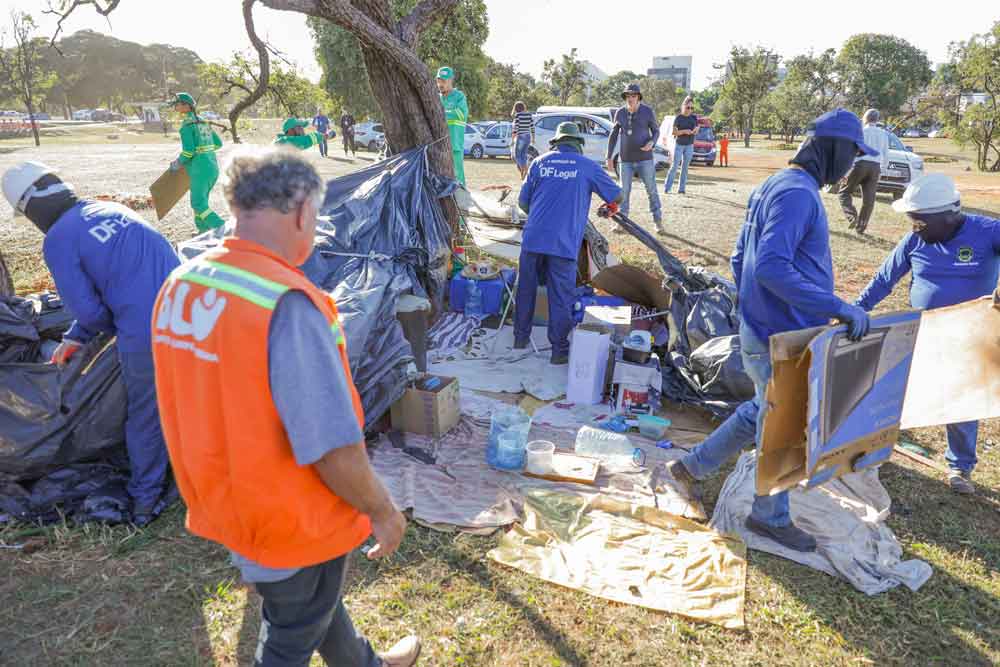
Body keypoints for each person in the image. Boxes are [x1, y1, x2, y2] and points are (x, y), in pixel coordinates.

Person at [151, 149, 420, 667]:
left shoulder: (183, 283)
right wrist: (381, 510)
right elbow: (332, 446)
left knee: (309, 602)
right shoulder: (287, 302)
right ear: (301, 211)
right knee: (291, 632)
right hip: (289, 514)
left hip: (227, 499)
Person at [665, 109, 877, 552]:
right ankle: (769, 516)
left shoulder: (775, 186)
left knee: (762, 411)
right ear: (833, 148)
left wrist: (751, 309)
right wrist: (835, 305)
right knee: (785, 427)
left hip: (768, 328)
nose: (852, 166)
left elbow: (743, 257)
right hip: (782, 335)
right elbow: (770, 267)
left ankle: (690, 467)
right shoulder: (798, 193)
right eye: (852, 155)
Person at [2, 161, 180, 526]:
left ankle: (144, 502)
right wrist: (74, 338)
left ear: (31, 209)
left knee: (145, 415)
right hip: (192, 307)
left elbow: (92, 313)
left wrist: (86, 338)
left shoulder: (59, 239)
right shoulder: (112, 209)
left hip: (147, 327)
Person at [854, 174, 1000, 495]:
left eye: (919, 222)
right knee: (889, 386)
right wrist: (856, 309)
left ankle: (960, 466)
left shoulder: (988, 232)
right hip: (920, 332)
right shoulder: (914, 241)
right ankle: (868, 445)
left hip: (967, 335)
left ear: (948, 216)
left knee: (962, 399)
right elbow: (883, 279)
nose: (914, 227)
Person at [515, 122, 622, 365]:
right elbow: (617, 196)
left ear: (556, 142)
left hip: (533, 239)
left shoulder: (539, 162)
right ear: (578, 145)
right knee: (560, 296)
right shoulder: (587, 166)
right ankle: (559, 351)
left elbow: (523, 204)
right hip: (563, 242)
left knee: (526, 289)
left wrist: (544, 216)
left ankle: (520, 339)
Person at [606, 83, 664, 234]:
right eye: (628, 96)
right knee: (623, 192)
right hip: (625, 160)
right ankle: (622, 223)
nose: (630, 98)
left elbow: (656, 131)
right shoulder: (620, 113)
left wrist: (652, 142)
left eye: (633, 96)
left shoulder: (647, 111)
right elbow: (613, 135)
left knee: (651, 190)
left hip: (645, 159)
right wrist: (609, 157)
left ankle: (658, 221)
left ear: (638, 97)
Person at [169, 93, 225, 233]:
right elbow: (218, 144)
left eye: (177, 104)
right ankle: (203, 231)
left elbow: (188, 152)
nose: (175, 106)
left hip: (199, 170)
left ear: (186, 106)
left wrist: (178, 163)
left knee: (197, 203)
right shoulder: (203, 122)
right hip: (212, 168)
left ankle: (219, 225)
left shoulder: (186, 125)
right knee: (202, 202)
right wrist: (205, 152)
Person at [839, 108, 891, 234]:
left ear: (864, 119)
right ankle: (861, 227)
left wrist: (845, 173)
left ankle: (852, 216)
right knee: (869, 200)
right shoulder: (883, 134)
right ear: (877, 120)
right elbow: (886, 154)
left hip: (860, 165)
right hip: (875, 167)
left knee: (844, 193)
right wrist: (881, 171)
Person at [436, 66, 469, 185]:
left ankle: (462, 200)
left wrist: (442, 113)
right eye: (438, 81)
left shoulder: (459, 96)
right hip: (438, 145)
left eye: (443, 81)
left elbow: (460, 114)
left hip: (454, 144)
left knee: (457, 176)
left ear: (450, 81)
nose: (440, 84)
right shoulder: (436, 98)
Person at [665, 97, 698, 194]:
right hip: (679, 145)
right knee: (675, 166)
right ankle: (667, 188)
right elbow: (674, 132)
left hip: (690, 145)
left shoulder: (694, 118)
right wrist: (684, 131)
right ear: (683, 106)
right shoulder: (678, 118)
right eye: (688, 107)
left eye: (692, 108)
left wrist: (696, 131)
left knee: (685, 167)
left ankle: (681, 189)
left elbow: (696, 129)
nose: (690, 110)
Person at [511, 101, 534, 180]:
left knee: (517, 156)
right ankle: (523, 173)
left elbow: (516, 128)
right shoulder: (529, 115)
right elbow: (532, 127)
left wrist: (512, 138)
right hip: (528, 137)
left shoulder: (518, 115)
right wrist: (533, 138)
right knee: (523, 155)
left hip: (521, 137)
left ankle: (525, 169)